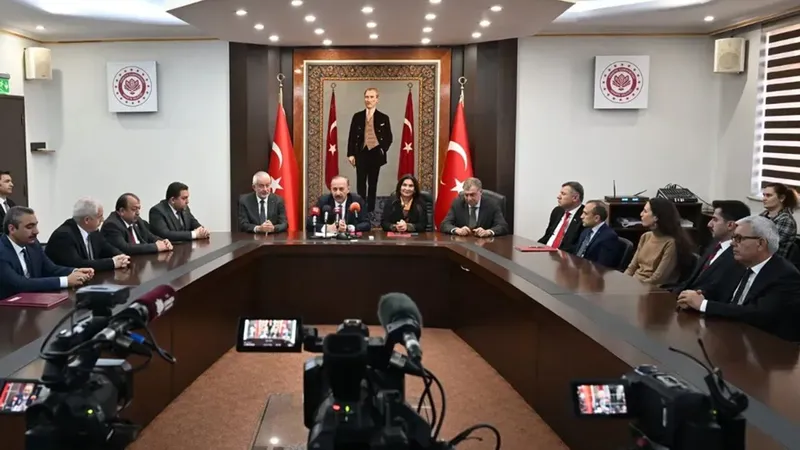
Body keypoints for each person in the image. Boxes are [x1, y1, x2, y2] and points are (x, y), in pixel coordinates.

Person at [677, 215, 800, 341]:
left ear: (761, 243)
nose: (732, 243)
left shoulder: (785, 275)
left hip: (767, 345)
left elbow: (757, 314)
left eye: (739, 238)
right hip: (730, 335)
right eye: (733, 238)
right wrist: (696, 297)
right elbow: (719, 290)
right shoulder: (741, 264)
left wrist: (703, 305)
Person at [0, 206, 94, 299]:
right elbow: (19, 284)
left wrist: (75, 271)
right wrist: (66, 281)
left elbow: (51, 269)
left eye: (36, 225)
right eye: (29, 227)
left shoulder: (33, 244)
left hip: (32, 301)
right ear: (12, 229)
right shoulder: (2, 250)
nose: (36, 231)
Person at [669, 200, 750, 293]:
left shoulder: (738, 256)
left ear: (730, 225)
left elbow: (719, 291)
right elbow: (691, 282)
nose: (709, 224)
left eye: (715, 220)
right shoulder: (714, 245)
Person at [46, 197, 131, 271]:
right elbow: (78, 265)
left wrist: (122, 257)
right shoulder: (64, 236)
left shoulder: (94, 231)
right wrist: (112, 263)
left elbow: (107, 248)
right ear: (87, 220)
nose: (103, 220)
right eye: (99, 217)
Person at [624, 198, 695, 286]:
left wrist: (633, 285)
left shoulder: (671, 243)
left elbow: (657, 279)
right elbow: (631, 268)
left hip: (651, 288)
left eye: (645, 211)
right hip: (635, 283)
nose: (641, 214)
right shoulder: (645, 236)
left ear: (656, 217)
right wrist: (622, 281)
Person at [347, 87, 393, 213]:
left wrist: (382, 149)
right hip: (361, 153)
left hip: (375, 154)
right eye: (366, 97)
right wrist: (351, 154)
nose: (369, 100)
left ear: (377, 99)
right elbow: (351, 136)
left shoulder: (383, 117)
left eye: (372, 97)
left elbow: (389, 137)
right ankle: (361, 208)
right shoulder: (357, 116)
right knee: (360, 183)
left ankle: (371, 210)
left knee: (373, 183)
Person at [102, 193, 172, 255]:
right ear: (122, 211)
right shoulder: (111, 225)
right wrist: (155, 247)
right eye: (134, 209)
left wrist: (163, 241)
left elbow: (149, 236)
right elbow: (125, 248)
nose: (138, 213)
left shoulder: (137, 220)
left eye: (138, 209)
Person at [439, 177, 508, 237]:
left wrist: (488, 232)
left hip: (486, 244)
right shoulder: (458, 203)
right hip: (463, 243)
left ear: (480, 192)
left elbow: (503, 226)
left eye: (472, 195)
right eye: (466, 195)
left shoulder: (492, 204)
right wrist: (457, 230)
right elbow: (444, 224)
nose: (469, 199)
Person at [539, 181, 585, 252]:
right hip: (546, 252)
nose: (558, 197)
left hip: (563, 255)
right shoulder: (557, 211)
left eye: (563, 194)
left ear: (575, 197)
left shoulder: (584, 215)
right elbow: (547, 236)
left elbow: (576, 247)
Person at [573, 200, 620, 268]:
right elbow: (577, 254)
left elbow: (602, 266)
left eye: (585, 213)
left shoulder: (609, 237)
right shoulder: (586, 231)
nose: (581, 216)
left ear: (596, 218)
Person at [759, 182, 798, 258]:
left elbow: (768, 245)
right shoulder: (763, 214)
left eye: (769, 195)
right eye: (764, 195)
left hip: (772, 261)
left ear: (781, 198)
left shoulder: (786, 220)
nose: (764, 199)